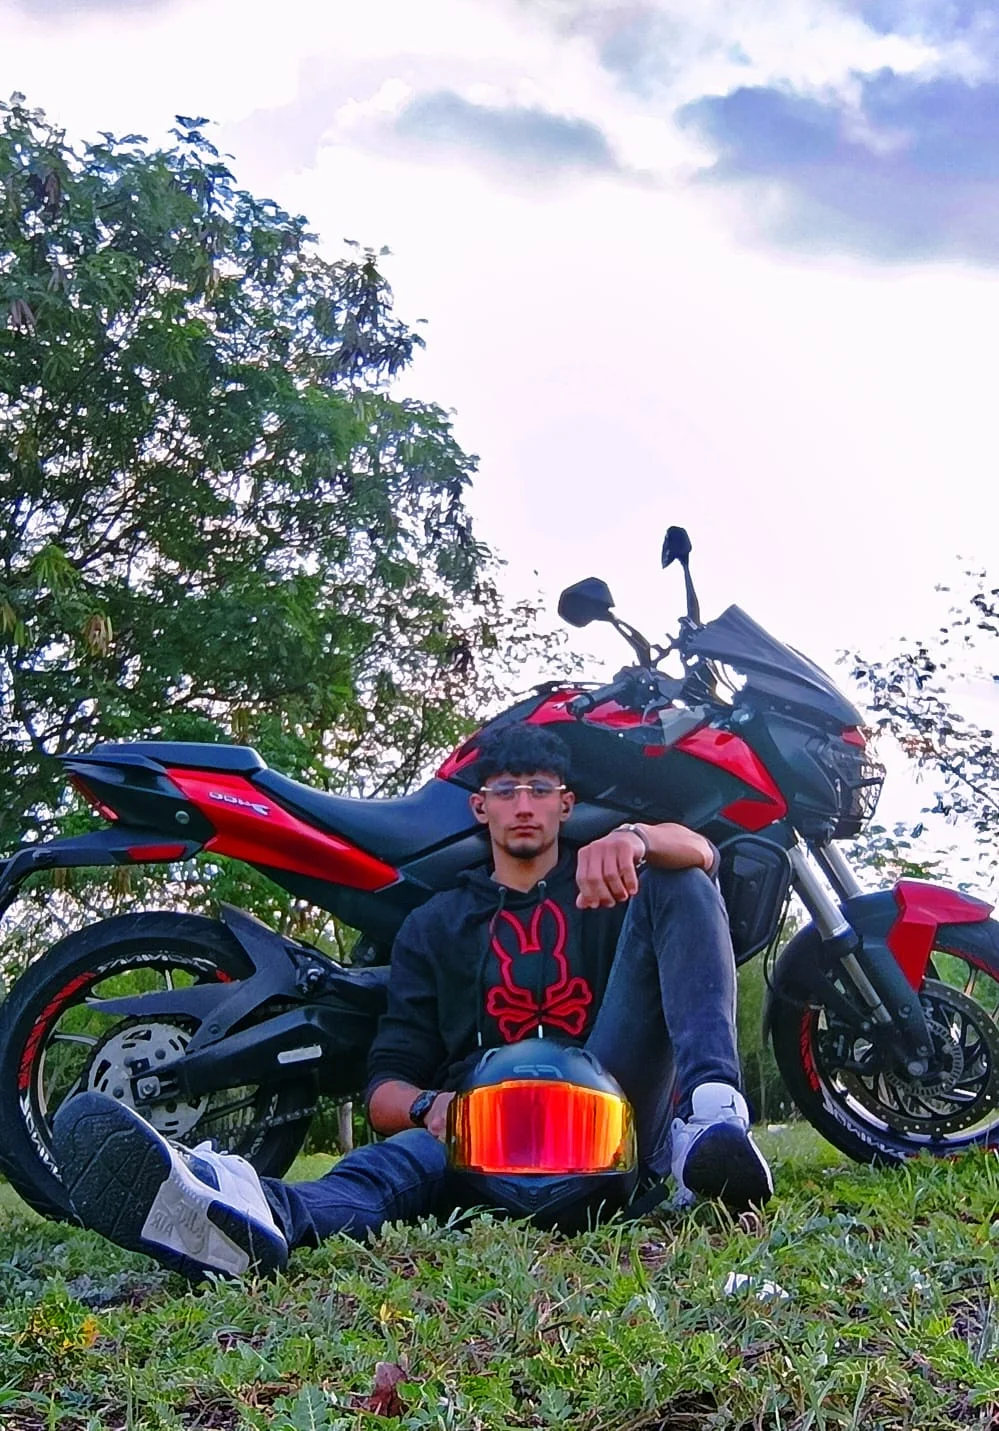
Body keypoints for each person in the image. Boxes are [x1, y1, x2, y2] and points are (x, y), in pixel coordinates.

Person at [53, 725, 772, 1281]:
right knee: (380, 1171)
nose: (524, 804)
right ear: (479, 806)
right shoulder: (433, 925)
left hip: (610, 1122)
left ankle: (710, 1121)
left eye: (540, 788)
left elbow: (703, 854)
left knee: (681, 877)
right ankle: (236, 1212)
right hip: (481, 1130)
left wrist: (638, 838)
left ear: (566, 803)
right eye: (506, 789)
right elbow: (384, 1090)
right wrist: (432, 1106)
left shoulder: (610, 884)